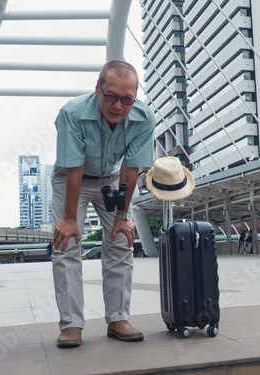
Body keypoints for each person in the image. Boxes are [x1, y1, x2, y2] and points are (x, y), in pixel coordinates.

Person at [51, 60, 155, 348]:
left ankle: (118, 318)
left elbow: (131, 168)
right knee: (66, 243)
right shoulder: (71, 114)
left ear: (134, 97)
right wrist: (70, 219)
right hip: (72, 178)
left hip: (111, 178)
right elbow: (74, 167)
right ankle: (71, 324)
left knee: (122, 239)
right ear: (97, 89)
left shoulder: (144, 118)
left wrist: (123, 215)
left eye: (127, 99)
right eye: (110, 96)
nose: (118, 106)